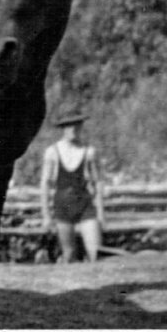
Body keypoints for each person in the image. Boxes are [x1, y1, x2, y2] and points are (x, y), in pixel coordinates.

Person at [40, 108, 106, 263]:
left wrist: (101, 213)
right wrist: (46, 215)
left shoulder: (89, 151)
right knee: (69, 254)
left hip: (85, 205)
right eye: (69, 126)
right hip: (62, 206)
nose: (73, 129)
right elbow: (45, 184)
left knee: (95, 252)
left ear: (81, 127)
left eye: (77, 125)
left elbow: (99, 182)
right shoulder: (52, 152)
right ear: (63, 128)